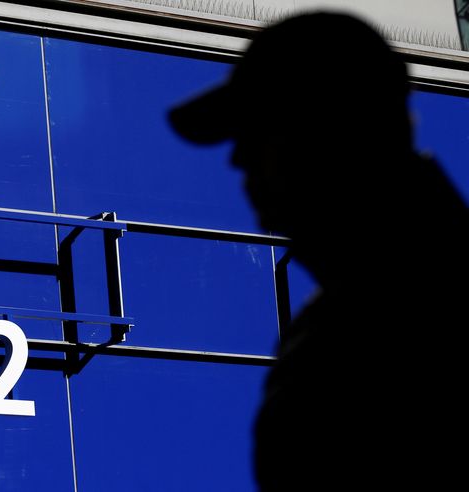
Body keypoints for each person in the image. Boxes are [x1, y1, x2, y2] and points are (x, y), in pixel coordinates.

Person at [169, 12, 468, 490]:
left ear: (330, 134)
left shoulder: (381, 326)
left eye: (256, 136)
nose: (238, 164)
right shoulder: (361, 309)